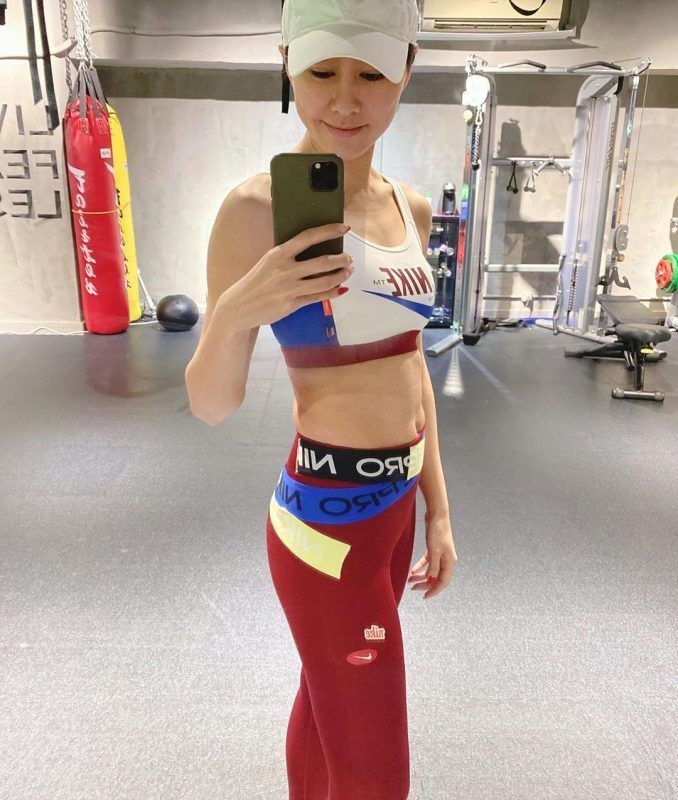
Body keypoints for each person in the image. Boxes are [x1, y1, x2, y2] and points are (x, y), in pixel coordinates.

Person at [185, 0, 458, 796]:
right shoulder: (255, 212)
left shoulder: (410, 208)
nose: (344, 100)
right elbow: (210, 404)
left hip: (394, 514)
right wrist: (237, 310)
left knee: (327, 712)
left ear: (406, 71)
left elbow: (411, 367)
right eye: (321, 72)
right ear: (287, 66)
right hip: (324, 528)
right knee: (378, 772)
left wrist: (439, 510)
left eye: (370, 74)